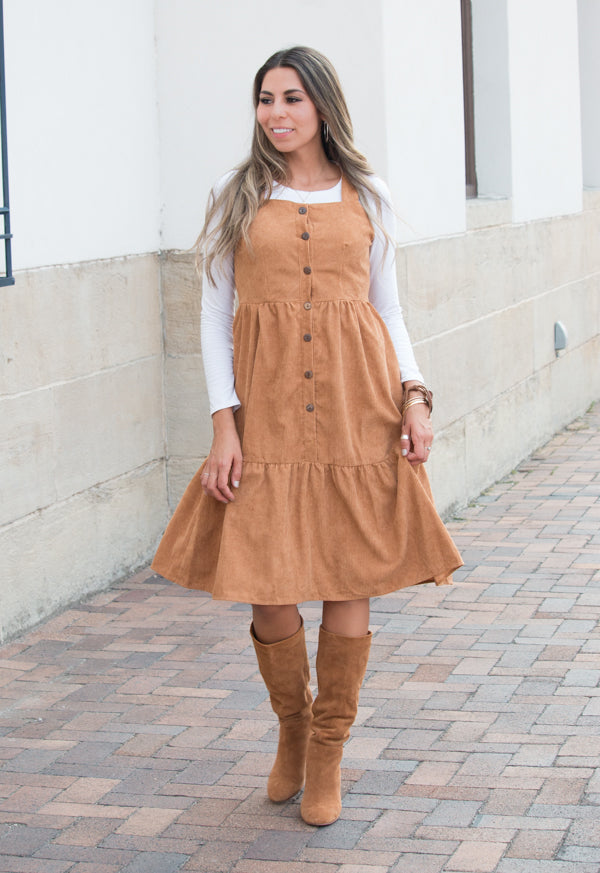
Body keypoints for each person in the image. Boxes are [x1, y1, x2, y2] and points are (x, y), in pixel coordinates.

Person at [152, 46, 462, 827]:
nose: (276, 113)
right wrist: (224, 423)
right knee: (268, 583)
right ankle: (292, 725)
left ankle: (327, 749)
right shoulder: (235, 195)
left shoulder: (368, 194)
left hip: (360, 409)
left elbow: (388, 309)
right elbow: (214, 318)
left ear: (322, 105)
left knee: (348, 574)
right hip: (268, 414)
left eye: (291, 97)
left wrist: (415, 397)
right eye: (265, 99)